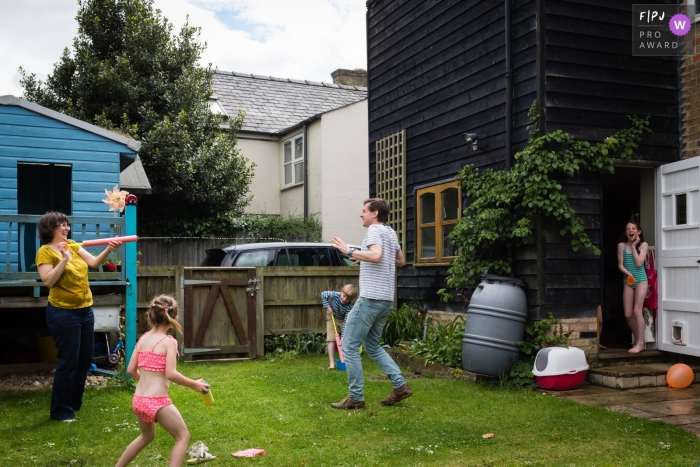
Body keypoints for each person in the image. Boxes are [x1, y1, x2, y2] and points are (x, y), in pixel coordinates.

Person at [36, 211, 121, 422]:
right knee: (69, 362)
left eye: (67, 224)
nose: (67, 228)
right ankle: (61, 411)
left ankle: (73, 405)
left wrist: (109, 250)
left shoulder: (73, 244)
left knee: (84, 361)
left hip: (85, 311)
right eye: (62, 225)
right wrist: (64, 259)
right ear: (50, 229)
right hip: (63, 313)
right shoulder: (45, 252)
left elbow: (92, 263)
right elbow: (48, 281)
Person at [330, 198, 410, 409]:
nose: (361, 214)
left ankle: (356, 397)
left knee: (349, 345)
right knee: (372, 345)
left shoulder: (374, 231)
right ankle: (400, 386)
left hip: (371, 299)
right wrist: (362, 257)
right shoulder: (390, 232)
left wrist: (349, 251)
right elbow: (400, 261)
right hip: (385, 300)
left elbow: (376, 255)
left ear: (375, 213)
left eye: (364, 210)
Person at [116, 295, 210, 467]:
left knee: (146, 436)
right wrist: (194, 384)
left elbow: (130, 370)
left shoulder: (143, 338)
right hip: (156, 401)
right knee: (183, 437)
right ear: (173, 317)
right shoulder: (169, 342)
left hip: (139, 399)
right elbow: (171, 374)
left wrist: (144, 383)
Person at [617, 217, 648, 354]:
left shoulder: (643, 245)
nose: (630, 230)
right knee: (628, 313)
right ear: (625, 233)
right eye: (628, 229)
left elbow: (639, 263)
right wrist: (627, 273)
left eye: (633, 228)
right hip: (628, 280)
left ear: (638, 232)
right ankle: (638, 339)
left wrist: (634, 247)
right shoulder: (621, 246)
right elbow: (620, 265)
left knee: (637, 311)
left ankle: (640, 343)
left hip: (641, 280)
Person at [321, 284, 358, 369]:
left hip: (342, 320)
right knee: (331, 339)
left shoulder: (349, 307)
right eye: (344, 296)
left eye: (348, 298)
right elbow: (323, 294)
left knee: (345, 339)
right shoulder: (335, 295)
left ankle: (346, 360)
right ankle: (332, 363)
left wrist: (343, 337)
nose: (344, 299)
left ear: (351, 299)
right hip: (331, 317)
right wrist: (328, 307)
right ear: (341, 292)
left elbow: (346, 322)